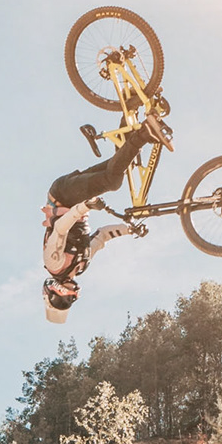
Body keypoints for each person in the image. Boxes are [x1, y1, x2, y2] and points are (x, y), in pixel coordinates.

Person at [41, 115, 171, 322]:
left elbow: (61, 228)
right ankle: (130, 110)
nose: (69, 299)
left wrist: (84, 206)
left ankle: (145, 132)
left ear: (53, 292)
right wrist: (130, 230)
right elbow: (103, 236)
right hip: (77, 201)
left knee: (113, 181)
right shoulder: (81, 264)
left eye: (63, 301)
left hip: (63, 195)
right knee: (120, 166)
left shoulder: (54, 264)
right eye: (69, 302)